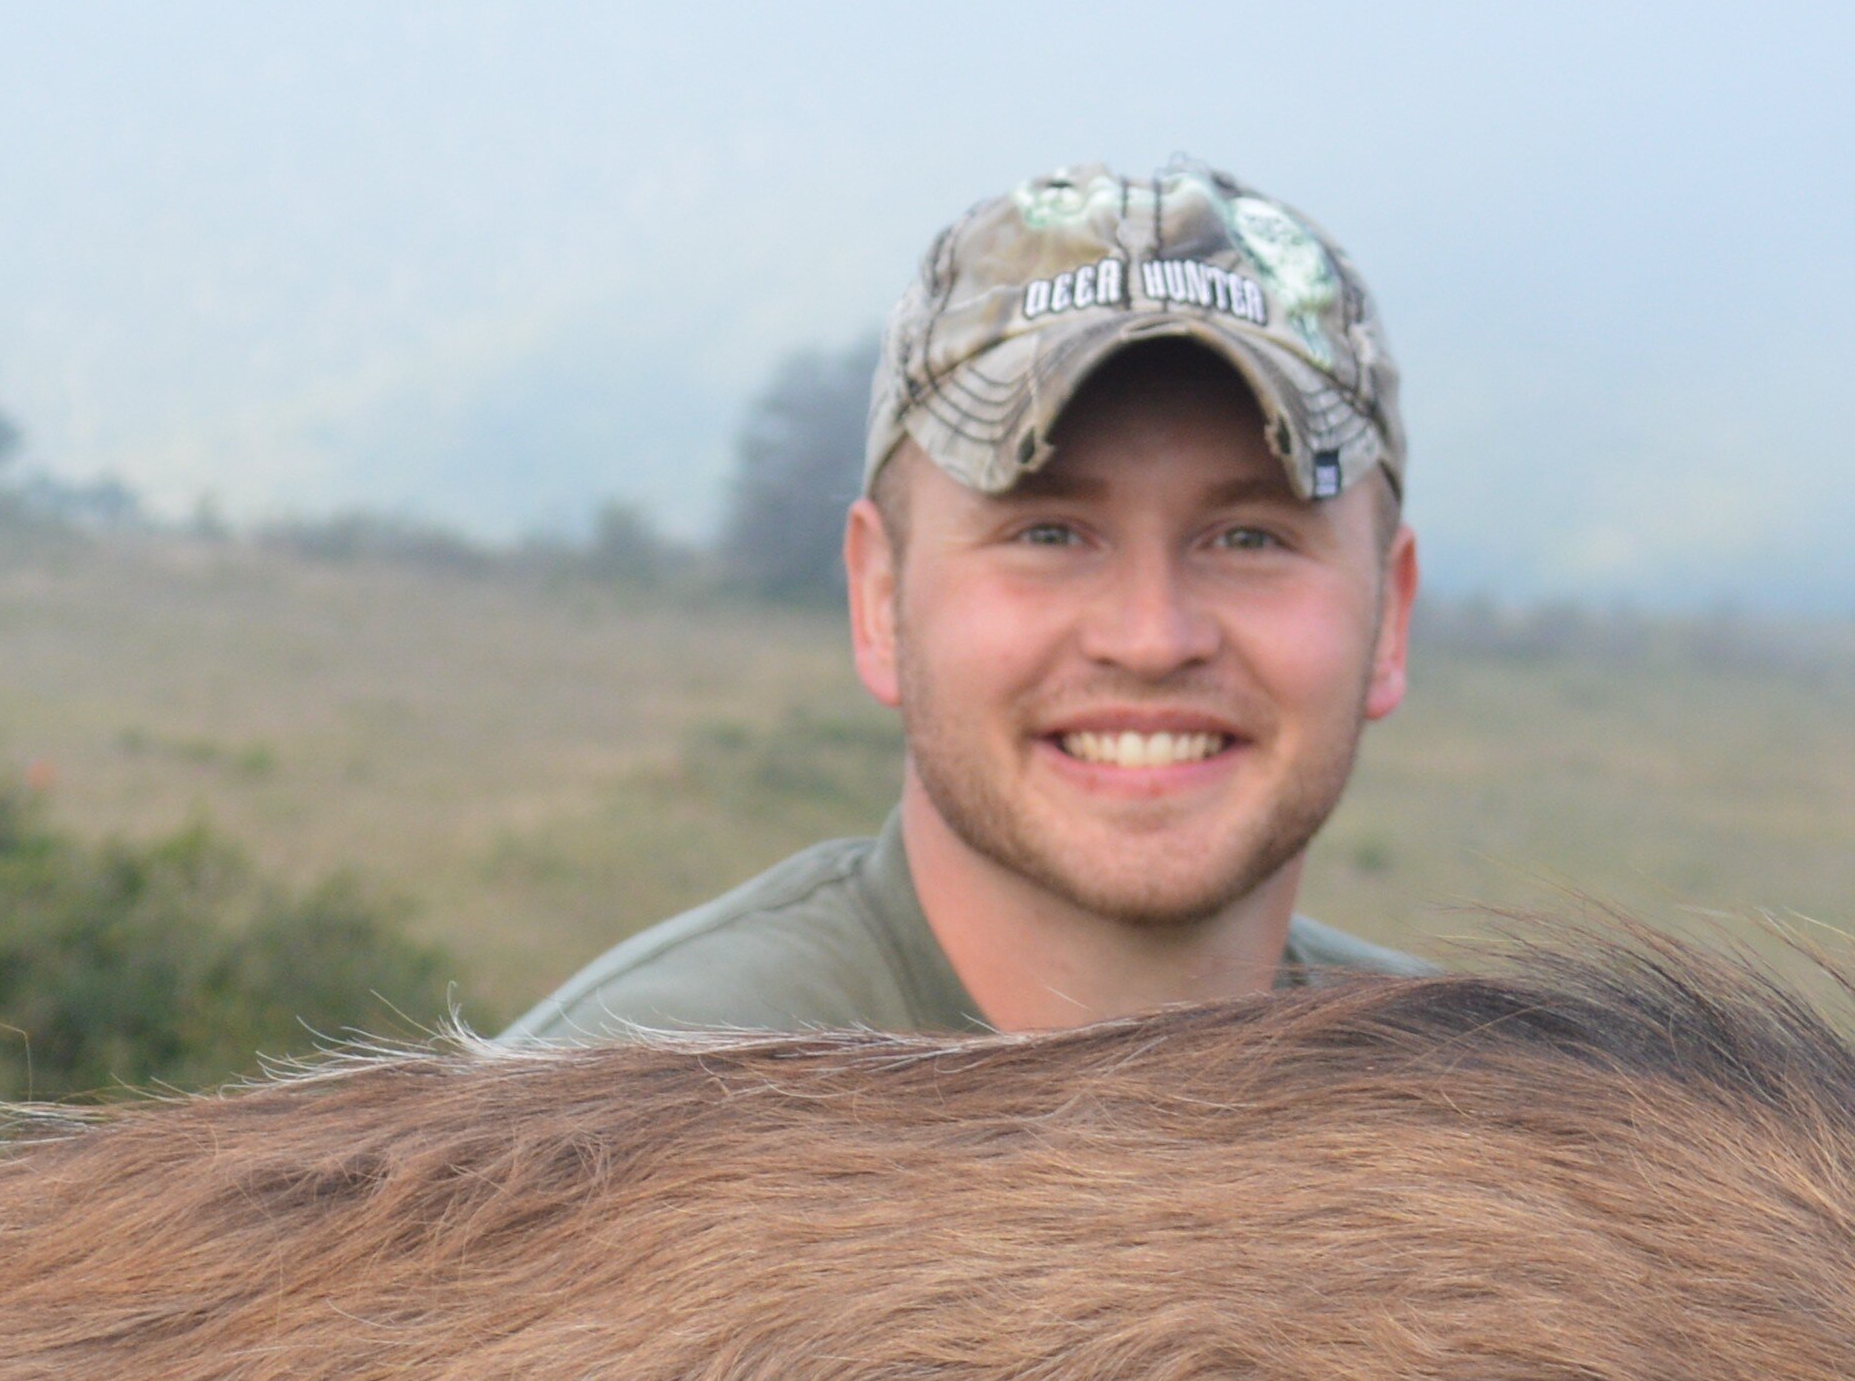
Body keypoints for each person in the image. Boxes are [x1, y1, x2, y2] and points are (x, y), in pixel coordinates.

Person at [502, 164, 1427, 1044]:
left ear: (1389, 614)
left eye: (1250, 540)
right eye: (1050, 535)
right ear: (879, 599)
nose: (1151, 638)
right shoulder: (600, 1142)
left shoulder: (1485, 1127)